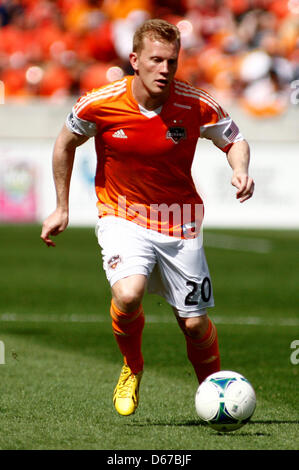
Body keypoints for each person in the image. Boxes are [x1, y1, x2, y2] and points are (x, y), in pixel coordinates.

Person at [41, 19, 254, 417]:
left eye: (172, 62)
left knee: (192, 325)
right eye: (156, 60)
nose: (165, 70)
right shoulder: (100, 102)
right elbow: (65, 142)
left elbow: (235, 139)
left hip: (180, 219)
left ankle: (216, 393)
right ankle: (132, 367)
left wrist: (239, 169)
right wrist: (62, 206)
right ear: (135, 60)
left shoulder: (195, 103)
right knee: (128, 293)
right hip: (123, 215)